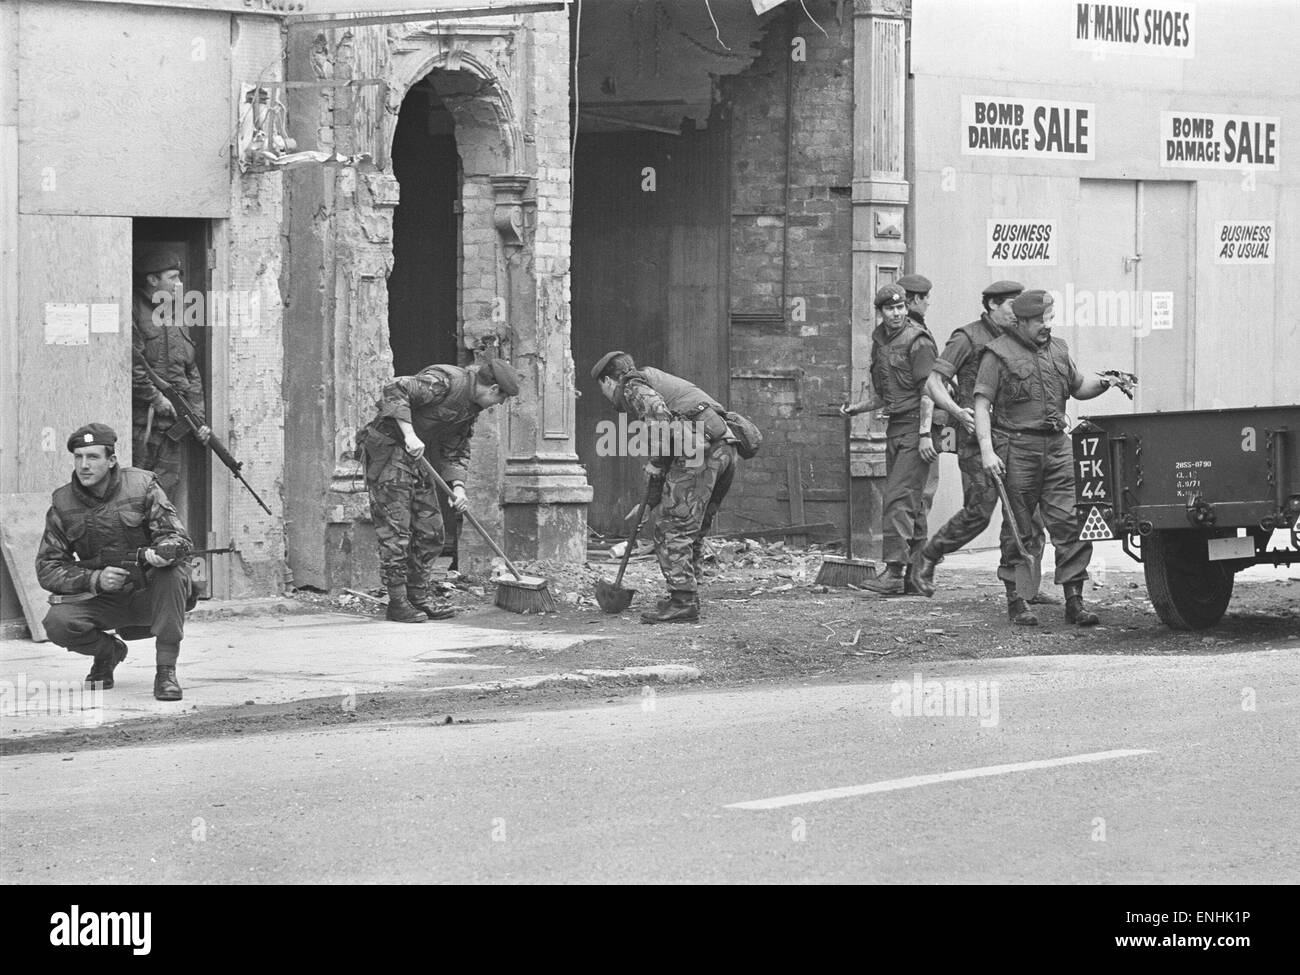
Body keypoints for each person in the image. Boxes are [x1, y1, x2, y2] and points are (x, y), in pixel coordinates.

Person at [973, 290, 1128, 625]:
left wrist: (1107, 381)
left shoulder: (1058, 348)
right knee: (1020, 528)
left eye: (1049, 318)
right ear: (1022, 321)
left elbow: (1078, 386)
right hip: (1017, 450)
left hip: (1058, 447)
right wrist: (987, 451)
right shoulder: (997, 354)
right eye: (1041, 320)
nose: (1047, 325)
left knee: (1071, 521)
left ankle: (1075, 600)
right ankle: (1018, 600)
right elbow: (981, 405)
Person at [910, 280, 1053, 602]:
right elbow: (933, 384)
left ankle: (1023, 588)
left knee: (1028, 517)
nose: (1016, 312)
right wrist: (957, 412)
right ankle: (929, 555)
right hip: (977, 442)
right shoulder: (968, 337)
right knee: (979, 511)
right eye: (1009, 305)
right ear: (991, 305)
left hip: (1016, 440)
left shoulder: (1020, 338)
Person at [356, 358, 519, 623]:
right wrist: (409, 434)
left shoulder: (470, 408)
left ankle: (419, 596)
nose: (499, 405)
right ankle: (397, 603)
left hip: (414, 458)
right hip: (386, 450)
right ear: (493, 390)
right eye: (501, 399)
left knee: (431, 530)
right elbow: (395, 388)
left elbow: (456, 448)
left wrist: (459, 489)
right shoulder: (445, 381)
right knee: (396, 531)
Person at [37, 424, 193, 701]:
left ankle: (166, 671)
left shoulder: (143, 485)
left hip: (149, 594)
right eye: (79, 457)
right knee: (58, 622)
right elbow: (48, 567)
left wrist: (163, 552)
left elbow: (177, 538)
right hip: (103, 597)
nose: (84, 465)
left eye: (93, 457)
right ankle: (108, 653)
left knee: (174, 572)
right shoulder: (62, 503)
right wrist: (94, 579)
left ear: (111, 461)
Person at [591, 351, 738, 624]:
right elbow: (672, 439)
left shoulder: (633, 386)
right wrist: (649, 502)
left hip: (700, 453)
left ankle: (683, 603)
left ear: (609, 381)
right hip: (725, 451)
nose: (609, 397)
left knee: (673, 527)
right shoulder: (654, 380)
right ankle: (689, 595)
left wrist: (657, 462)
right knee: (693, 526)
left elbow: (661, 425)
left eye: (603, 389)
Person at [842, 282, 939, 595]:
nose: (897, 313)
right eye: (890, 309)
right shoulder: (880, 341)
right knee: (911, 502)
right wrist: (858, 408)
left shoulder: (918, 340)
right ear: (880, 312)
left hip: (917, 428)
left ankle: (895, 573)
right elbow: (886, 393)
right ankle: (918, 575)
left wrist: (925, 434)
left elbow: (930, 391)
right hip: (896, 425)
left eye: (900, 307)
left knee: (898, 498)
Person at [131, 245, 211, 523]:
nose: (179, 285)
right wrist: (156, 399)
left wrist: (197, 419)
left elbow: (191, 370)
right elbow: (134, 365)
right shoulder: (133, 310)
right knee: (133, 495)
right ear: (153, 280)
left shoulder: (176, 314)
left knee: (165, 498)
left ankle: (162, 554)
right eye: (173, 277)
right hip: (143, 426)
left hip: (173, 428)